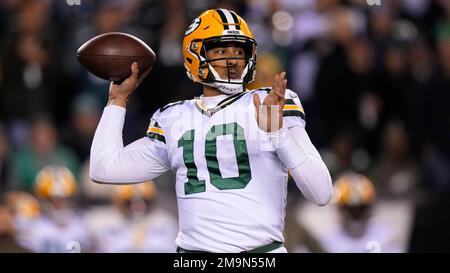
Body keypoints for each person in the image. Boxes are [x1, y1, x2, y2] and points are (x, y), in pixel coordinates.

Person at [90, 9, 333, 253]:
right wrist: (117, 100)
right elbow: (104, 168)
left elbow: (321, 192)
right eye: (220, 51)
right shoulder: (173, 117)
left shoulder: (269, 102)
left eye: (239, 51)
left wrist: (278, 133)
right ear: (194, 55)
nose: (233, 60)